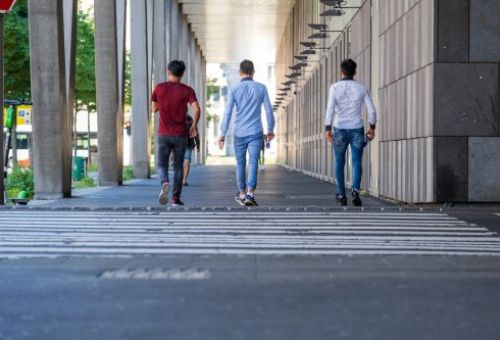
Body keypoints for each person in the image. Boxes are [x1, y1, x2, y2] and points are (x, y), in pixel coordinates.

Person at [218, 59, 275, 206]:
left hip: (239, 132)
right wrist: (270, 129)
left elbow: (228, 113)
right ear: (253, 72)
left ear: (240, 73)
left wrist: (222, 134)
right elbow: (268, 110)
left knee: (240, 163)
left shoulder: (234, 89)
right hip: (256, 131)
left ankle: (242, 193)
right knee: (253, 161)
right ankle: (250, 192)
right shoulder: (261, 88)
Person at [324, 59, 377, 207]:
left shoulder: (334, 88)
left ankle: (341, 195)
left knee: (339, 163)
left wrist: (328, 129)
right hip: (356, 129)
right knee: (356, 162)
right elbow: (371, 110)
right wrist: (372, 128)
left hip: (339, 128)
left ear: (341, 72)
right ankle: (355, 191)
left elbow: (330, 109)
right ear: (355, 72)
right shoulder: (361, 88)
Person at [152, 60, 201, 206]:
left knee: (161, 164)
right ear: (183, 73)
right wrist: (193, 126)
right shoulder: (187, 90)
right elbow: (197, 109)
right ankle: (175, 198)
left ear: (168, 71)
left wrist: (164, 105)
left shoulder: (159, 88)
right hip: (180, 135)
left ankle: (164, 182)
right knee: (179, 166)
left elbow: (154, 109)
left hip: (164, 134)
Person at [183, 115, 200, 186]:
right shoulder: (189, 119)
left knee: (185, 162)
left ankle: (183, 179)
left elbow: (195, 132)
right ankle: (182, 179)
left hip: (185, 144)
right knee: (184, 162)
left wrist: (198, 144)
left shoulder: (190, 119)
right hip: (182, 144)